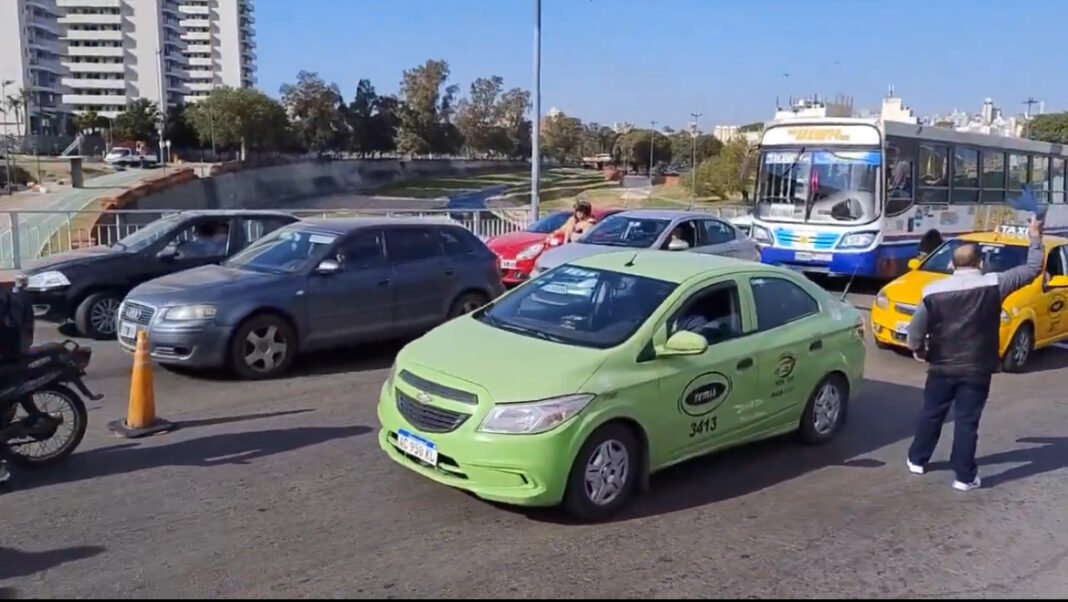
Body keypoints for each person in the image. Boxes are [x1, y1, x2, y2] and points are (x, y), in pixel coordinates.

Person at [905, 216, 1044, 491]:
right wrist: (1035, 236)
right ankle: (964, 477)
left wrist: (918, 350)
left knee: (931, 413)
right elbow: (1032, 268)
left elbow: (915, 331)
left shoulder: (931, 291)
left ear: (951, 265)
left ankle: (917, 459)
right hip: (977, 368)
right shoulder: (996, 284)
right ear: (980, 263)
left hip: (941, 366)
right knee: (967, 421)